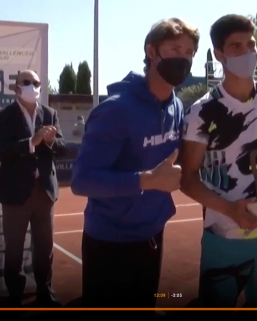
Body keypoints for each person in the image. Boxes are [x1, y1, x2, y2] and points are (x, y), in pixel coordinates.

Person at [70, 18, 199, 309]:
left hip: (152, 235)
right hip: (110, 243)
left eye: (190, 52)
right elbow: (82, 181)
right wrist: (148, 180)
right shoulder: (116, 109)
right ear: (152, 51)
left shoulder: (177, 106)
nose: (184, 58)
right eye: (176, 48)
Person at [180, 14, 257, 308]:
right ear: (219, 55)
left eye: (251, 44)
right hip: (222, 239)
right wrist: (231, 211)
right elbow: (187, 179)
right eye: (236, 46)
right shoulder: (202, 112)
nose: (247, 52)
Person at [0, 70, 66, 307]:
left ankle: (45, 291)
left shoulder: (50, 113)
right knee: (14, 249)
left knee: (44, 248)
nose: (33, 86)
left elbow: (62, 147)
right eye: (27, 83)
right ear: (16, 88)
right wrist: (31, 143)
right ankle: (15, 295)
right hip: (15, 195)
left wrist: (50, 141)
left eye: (36, 83)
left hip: (44, 192)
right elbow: (1, 151)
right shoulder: (3, 115)